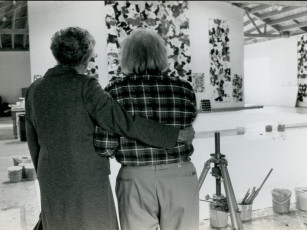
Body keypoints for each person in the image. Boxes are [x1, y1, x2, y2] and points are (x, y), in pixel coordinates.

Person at [25, 27, 194, 230]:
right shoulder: (86, 86)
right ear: (87, 56)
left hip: (50, 176)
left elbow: (33, 142)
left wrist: (44, 173)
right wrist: (174, 135)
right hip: (88, 178)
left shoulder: (35, 89)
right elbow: (124, 122)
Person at [95, 29, 199, 230]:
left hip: (136, 178)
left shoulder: (114, 91)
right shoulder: (184, 88)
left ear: (126, 57)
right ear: (161, 55)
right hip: (179, 174)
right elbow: (187, 132)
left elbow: (105, 146)